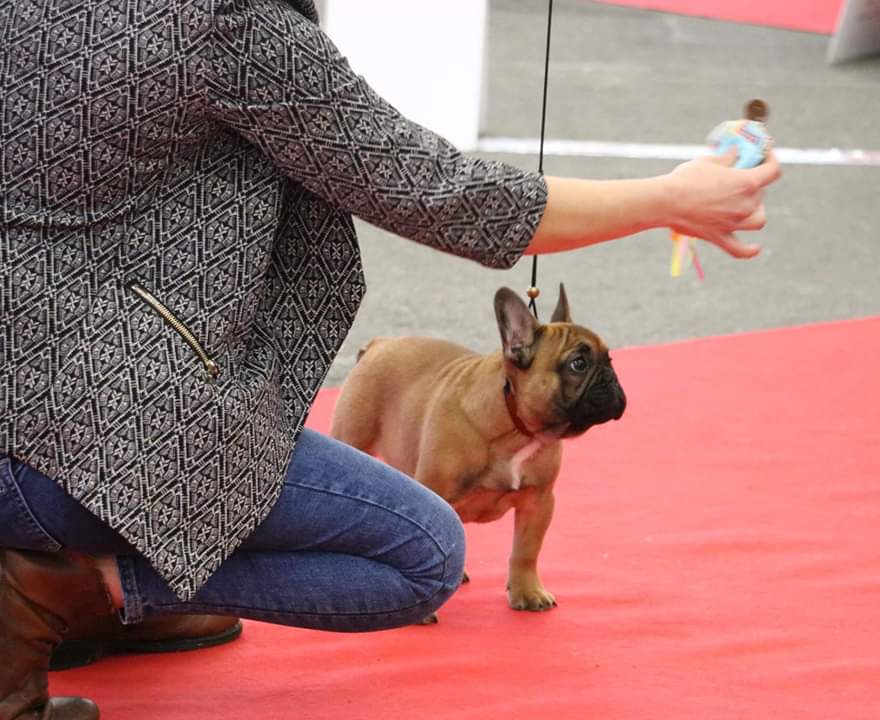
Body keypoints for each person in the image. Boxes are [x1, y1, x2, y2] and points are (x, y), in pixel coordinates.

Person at [0, 1, 781, 717]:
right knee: (425, 554)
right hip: (77, 435)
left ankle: (85, 586)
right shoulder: (228, 25)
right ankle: (65, 586)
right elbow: (443, 192)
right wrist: (670, 200)